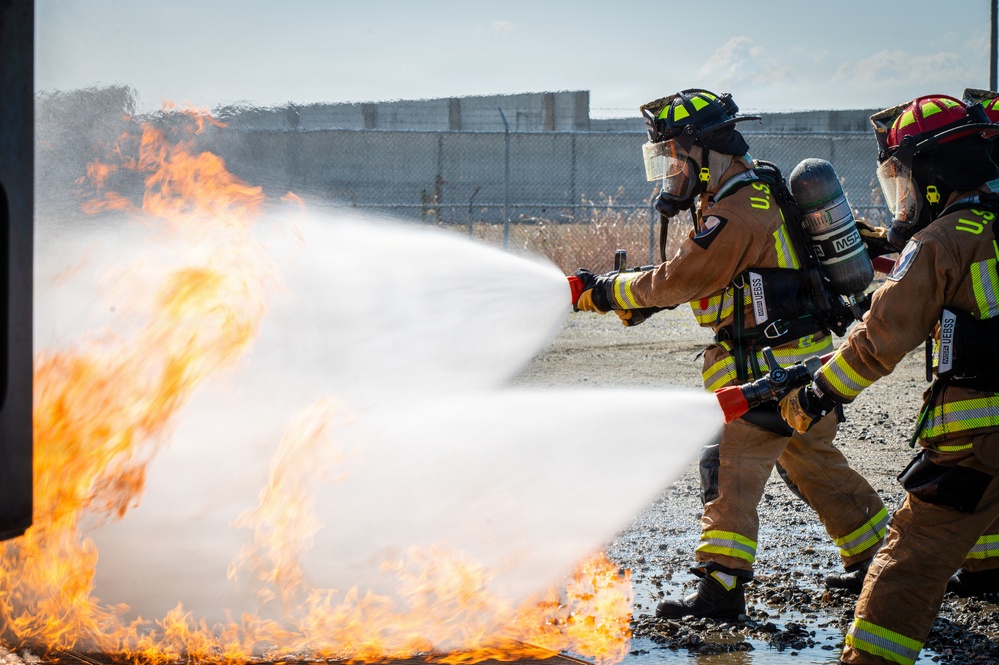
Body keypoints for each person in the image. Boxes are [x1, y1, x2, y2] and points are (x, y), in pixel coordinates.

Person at [572, 88, 888, 620]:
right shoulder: (745, 193)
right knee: (813, 464)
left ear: (703, 149)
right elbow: (720, 283)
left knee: (728, 466)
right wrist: (647, 301)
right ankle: (876, 558)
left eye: (673, 153)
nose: (669, 167)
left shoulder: (738, 210)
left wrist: (604, 291)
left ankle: (721, 591)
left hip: (770, 367)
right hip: (799, 361)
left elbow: (681, 278)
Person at [778, 93, 999, 665]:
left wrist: (815, 394)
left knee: (904, 567)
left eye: (901, 176)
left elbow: (879, 339)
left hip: (975, 443)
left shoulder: (940, 242)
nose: (899, 193)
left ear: (932, 176)